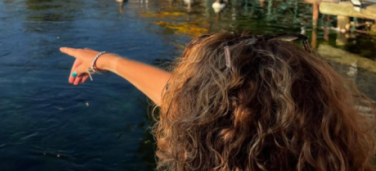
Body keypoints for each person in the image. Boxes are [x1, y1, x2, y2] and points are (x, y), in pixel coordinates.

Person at [60, 33, 376, 171]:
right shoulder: (347, 153)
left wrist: (108, 61)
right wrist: (107, 61)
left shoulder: (210, 147)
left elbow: (189, 106)